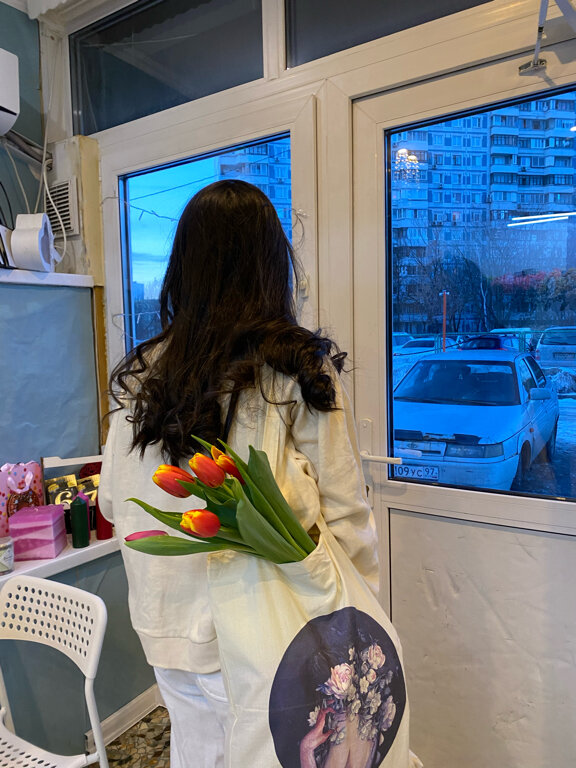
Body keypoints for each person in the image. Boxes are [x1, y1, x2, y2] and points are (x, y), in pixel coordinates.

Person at [98, 179, 380, 768]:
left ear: (184, 268)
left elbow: (110, 502)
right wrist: (361, 619)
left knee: (196, 752)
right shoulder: (295, 369)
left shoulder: (145, 372)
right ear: (271, 264)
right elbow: (346, 513)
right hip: (263, 633)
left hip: (166, 626)